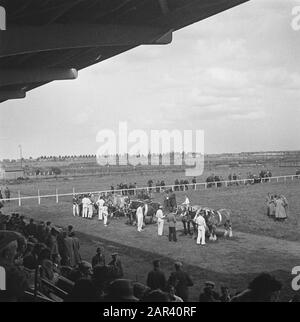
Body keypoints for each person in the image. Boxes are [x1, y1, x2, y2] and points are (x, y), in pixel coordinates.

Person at [0, 231, 30, 301]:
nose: (16, 253)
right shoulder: (6, 270)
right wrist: (17, 268)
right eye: (15, 249)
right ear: (7, 253)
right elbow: (21, 287)